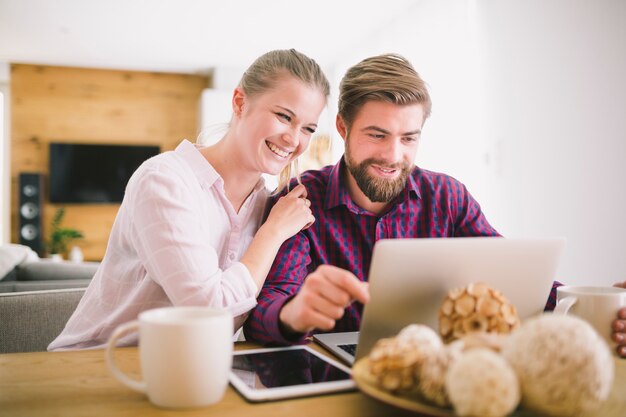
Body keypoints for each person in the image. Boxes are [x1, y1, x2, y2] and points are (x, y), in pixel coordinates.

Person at [243, 53, 626, 358]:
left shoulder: (447, 197)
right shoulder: (299, 201)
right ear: (342, 128)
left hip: (438, 369)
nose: (393, 155)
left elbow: (516, 280)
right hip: (336, 383)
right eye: (377, 135)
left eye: (408, 138)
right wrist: (294, 314)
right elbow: (260, 315)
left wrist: (594, 307)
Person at [49, 49, 329, 350]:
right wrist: (272, 233)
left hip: (189, 366)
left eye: (308, 128)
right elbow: (208, 312)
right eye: (284, 116)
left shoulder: (268, 203)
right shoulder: (164, 180)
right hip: (99, 364)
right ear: (240, 102)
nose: (294, 139)